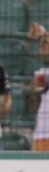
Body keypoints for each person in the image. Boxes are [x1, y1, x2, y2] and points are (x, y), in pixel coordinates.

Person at [28, 22, 49, 151]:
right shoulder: (41, 73)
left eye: (45, 43)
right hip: (42, 134)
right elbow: (33, 109)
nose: (41, 47)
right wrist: (34, 93)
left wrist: (44, 33)